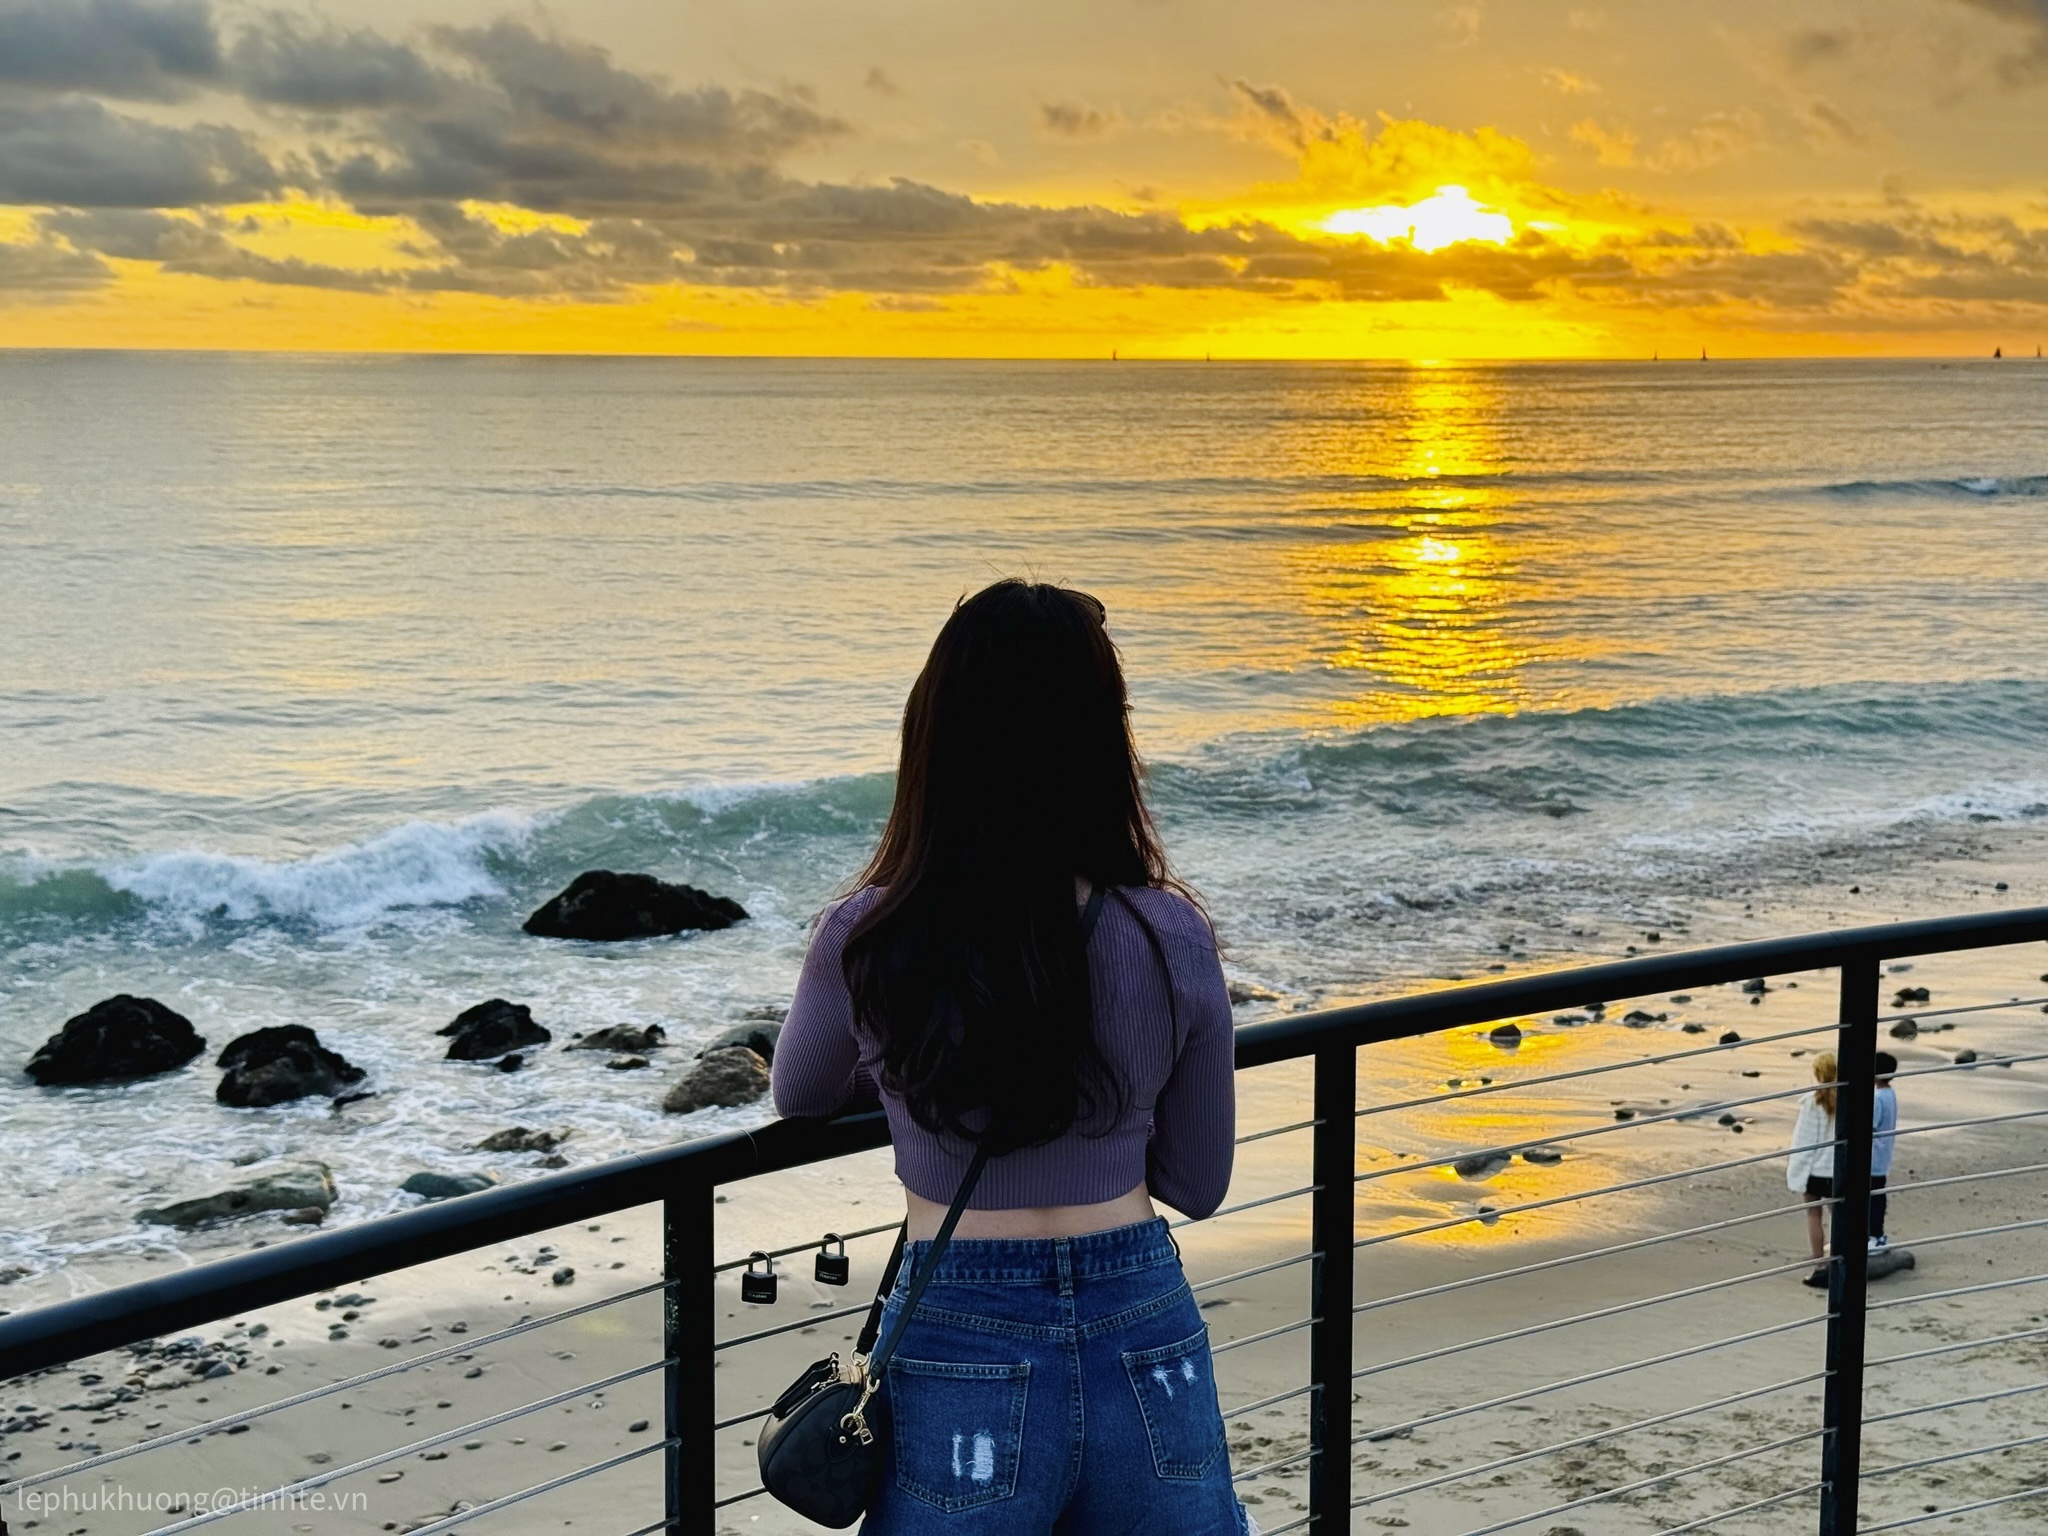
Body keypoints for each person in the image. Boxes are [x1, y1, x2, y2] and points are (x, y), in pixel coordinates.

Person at [773, 580, 1246, 1535]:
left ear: (933, 736)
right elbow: (1197, 1183)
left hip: (957, 1315)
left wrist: (908, 1068)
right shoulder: (1167, 933)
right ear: (1102, 740)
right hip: (1141, 1319)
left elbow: (801, 1095)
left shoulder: (869, 936)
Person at [1788, 1052, 1838, 1288]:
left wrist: (1796, 1171)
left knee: (1813, 1215)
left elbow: (1804, 1140)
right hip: (1837, 1170)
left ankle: (1819, 1263)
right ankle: (1838, 1258)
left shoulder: (1812, 1102)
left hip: (1814, 1171)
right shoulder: (1849, 1098)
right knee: (1838, 1215)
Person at [1869, 1051, 1898, 1251]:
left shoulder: (1877, 1098)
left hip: (1873, 1156)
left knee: (1873, 1198)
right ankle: (1877, 1235)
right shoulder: (1890, 1093)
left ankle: (1874, 1236)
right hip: (1883, 1154)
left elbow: (1871, 1125)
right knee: (1878, 1194)